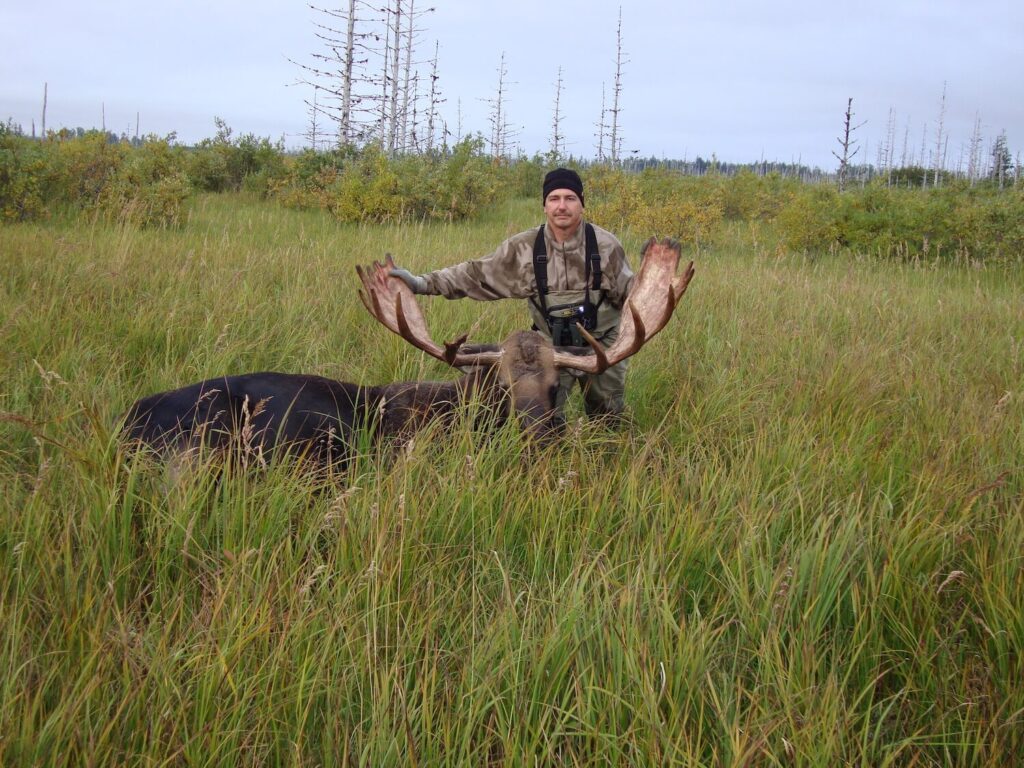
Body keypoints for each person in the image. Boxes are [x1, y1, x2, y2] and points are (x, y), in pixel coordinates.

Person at [389, 167, 635, 419]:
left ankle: (607, 451)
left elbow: (632, 296)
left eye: (570, 198)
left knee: (608, 413)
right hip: (549, 347)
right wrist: (421, 283)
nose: (562, 206)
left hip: (601, 343)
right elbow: (476, 275)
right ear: (544, 206)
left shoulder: (606, 245)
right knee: (544, 419)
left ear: (581, 204)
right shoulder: (524, 248)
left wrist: (654, 284)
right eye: (554, 198)